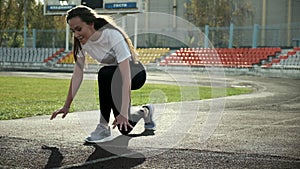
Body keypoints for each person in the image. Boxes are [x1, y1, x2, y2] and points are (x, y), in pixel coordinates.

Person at [50, 5, 156, 143]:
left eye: (79, 29)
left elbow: (125, 76)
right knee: (125, 128)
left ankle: (103, 127)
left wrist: (123, 111)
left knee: (104, 73)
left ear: (91, 24)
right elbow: (77, 75)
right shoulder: (82, 42)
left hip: (135, 73)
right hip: (112, 77)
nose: (76, 34)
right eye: (73, 31)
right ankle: (145, 111)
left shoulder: (111, 35)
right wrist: (66, 105)